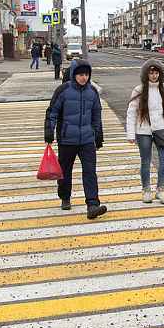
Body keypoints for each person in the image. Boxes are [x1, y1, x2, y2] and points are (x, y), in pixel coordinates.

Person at [45, 58, 108, 219]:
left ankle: (93, 204)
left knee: (90, 172)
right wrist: (49, 134)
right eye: (80, 74)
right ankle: (65, 197)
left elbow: (96, 116)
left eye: (86, 74)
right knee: (65, 170)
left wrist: (98, 138)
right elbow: (51, 113)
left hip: (87, 139)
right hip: (67, 139)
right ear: (73, 74)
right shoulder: (63, 90)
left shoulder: (92, 92)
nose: (84, 77)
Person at [126, 59, 164, 205]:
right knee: (146, 161)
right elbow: (131, 113)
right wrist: (130, 134)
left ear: (160, 74)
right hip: (143, 131)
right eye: (151, 73)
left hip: (161, 129)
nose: (154, 76)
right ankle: (146, 191)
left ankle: (161, 190)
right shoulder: (139, 90)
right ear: (146, 75)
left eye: (156, 73)